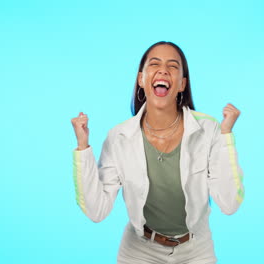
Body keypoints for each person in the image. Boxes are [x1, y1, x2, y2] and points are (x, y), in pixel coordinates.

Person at [71, 41, 245, 263]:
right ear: (141, 79)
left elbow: (229, 203)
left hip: (196, 250)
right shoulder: (119, 137)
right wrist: (83, 147)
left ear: (182, 84)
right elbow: (97, 210)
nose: (163, 70)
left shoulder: (209, 129)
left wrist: (226, 136)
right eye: (154, 64)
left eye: (173, 66)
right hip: (138, 251)